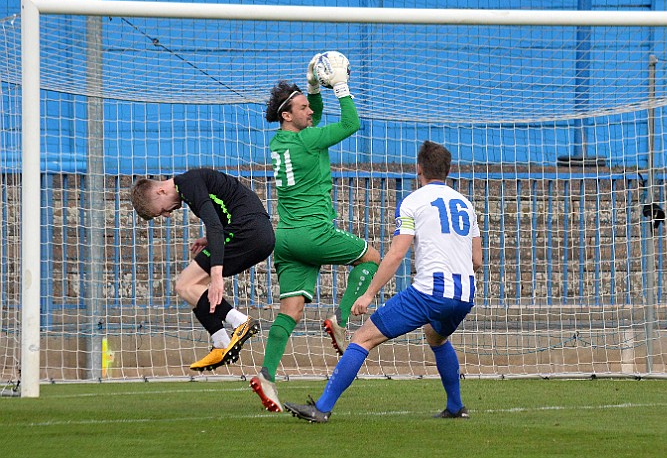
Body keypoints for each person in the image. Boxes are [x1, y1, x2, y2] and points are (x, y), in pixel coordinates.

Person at [284, 140, 482, 422]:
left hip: (430, 291)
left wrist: (368, 295)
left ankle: (322, 408)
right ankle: (455, 407)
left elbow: (396, 253)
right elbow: (477, 261)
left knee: (362, 338)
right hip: (465, 294)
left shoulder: (413, 201)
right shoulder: (466, 204)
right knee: (436, 336)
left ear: (419, 170)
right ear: (448, 170)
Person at [250, 52, 381, 412]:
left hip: (286, 240)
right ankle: (339, 320)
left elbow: (316, 117)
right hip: (313, 232)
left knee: (290, 311)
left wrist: (311, 85)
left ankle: (266, 374)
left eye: (310, 106)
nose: (310, 111)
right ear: (287, 116)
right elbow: (351, 123)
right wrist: (340, 86)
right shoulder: (310, 141)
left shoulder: (281, 142)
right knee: (372, 257)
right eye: (303, 107)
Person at [130, 167, 275, 371]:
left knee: (184, 284)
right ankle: (220, 343)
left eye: (161, 211)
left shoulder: (187, 183)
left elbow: (214, 225)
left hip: (250, 233)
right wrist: (209, 241)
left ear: (159, 191)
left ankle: (240, 323)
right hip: (255, 234)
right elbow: (228, 210)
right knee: (190, 287)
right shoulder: (190, 186)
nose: (167, 215)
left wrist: (216, 276)